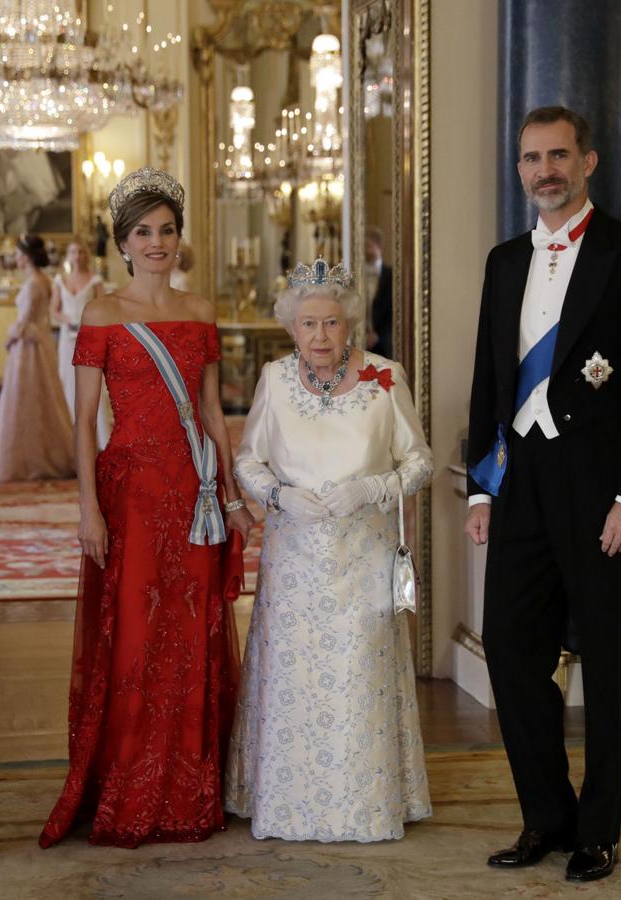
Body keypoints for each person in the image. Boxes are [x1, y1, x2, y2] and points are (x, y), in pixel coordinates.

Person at [463, 106, 621, 883]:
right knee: (511, 650)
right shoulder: (503, 262)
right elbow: (489, 382)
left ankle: (598, 831)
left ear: (588, 162)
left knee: (608, 661)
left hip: (601, 490)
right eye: (531, 158)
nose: (544, 171)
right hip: (520, 482)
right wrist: (481, 489)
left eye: (558, 155)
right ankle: (546, 817)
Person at [39, 167, 254, 848]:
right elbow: (83, 422)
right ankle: (131, 786)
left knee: (191, 636)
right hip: (130, 495)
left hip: (192, 495)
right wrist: (88, 510)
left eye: (166, 231)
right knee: (134, 637)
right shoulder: (101, 313)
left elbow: (213, 413)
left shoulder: (201, 310)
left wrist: (229, 494)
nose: (156, 242)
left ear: (178, 238)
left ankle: (190, 791)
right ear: (123, 243)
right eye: (142, 233)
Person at [225, 259, 432, 843]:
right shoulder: (274, 379)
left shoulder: (384, 377)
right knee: (293, 681)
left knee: (358, 676)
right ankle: (287, 805)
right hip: (293, 559)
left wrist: (373, 488)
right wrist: (278, 495)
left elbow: (419, 461)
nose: (320, 336)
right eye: (309, 324)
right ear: (292, 328)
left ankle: (364, 806)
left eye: (332, 323)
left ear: (350, 325)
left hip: (363, 556)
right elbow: (247, 460)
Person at [0, 233, 76, 481]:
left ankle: (25, 460)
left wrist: (9, 338)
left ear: (26, 256)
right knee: (43, 396)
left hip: (28, 347)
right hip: (40, 342)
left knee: (25, 396)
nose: (15, 257)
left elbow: (24, 321)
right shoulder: (44, 279)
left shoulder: (34, 283)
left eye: (17, 253)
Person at [52, 237, 112, 445]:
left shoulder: (95, 281)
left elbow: (104, 308)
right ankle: (70, 437)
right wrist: (67, 319)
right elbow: (54, 311)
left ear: (86, 255)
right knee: (67, 381)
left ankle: (100, 438)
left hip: (89, 337)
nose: (77, 256)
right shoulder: (60, 281)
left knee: (93, 382)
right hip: (67, 339)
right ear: (68, 256)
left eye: (80, 252)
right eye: (73, 252)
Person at [364, 226, 394, 358]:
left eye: (370, 246)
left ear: (380, 247)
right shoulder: (356, 275)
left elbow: (394, 310)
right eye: (365, 246)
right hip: (360, 340)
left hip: (384, 342)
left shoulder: (391, 275)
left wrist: (378, 335)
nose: (367, 251)